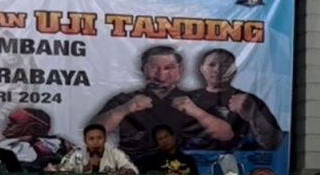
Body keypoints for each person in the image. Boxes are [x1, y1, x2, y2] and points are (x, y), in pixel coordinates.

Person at [92, 46, 232, 158]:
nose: (161, 74)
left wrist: (198, 113)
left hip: (185, 172)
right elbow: (94, 132)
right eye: (154, 68)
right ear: (143, 70)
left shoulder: (198, 100)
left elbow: (226, 134)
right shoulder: (125, 100)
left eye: (169, 68)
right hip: (135, 171)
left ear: (180, 70)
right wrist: (124, 109)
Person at [185, 49, 283, 151]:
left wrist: (254, 115)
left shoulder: (249, 101)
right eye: (212, 65)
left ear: (234, 71)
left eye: (226, 65)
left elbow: (274, 143)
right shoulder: (187, 101)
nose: (218, 70)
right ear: (202, 69)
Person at [56, 124, 138, 175]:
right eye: (91, 139)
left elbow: (131, 169)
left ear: (105, 139)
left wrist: (125, 171)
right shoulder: (78, 153)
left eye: (100, 138)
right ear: (85, 140)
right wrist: (85, 168)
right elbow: (62, 171)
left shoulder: (114, 152)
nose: (96, 142)